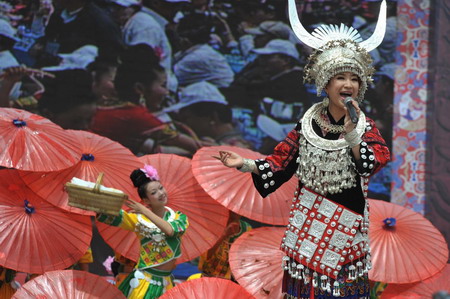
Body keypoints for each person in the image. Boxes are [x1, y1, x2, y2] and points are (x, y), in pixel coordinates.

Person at [214, 1, 390, 298]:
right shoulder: (307, 124)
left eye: (354, 79)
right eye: (341, 77)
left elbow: (372, 163)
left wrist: (352, 134)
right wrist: (243, 163)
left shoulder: (364, 125)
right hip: (307, 222)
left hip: (346, 225)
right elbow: (280, 162)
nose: (348, 84)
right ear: (325, 82)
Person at [96, 165, 189, 298]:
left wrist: (144, 210)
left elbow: (171, 230)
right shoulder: (140, 220)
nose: (161, 193)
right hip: (144, 282)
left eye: (161, 188)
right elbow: (110, 216)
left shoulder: (179, 217)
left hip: (167, 282)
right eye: (154, 192)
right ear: (146, 200)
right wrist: (94, 197)